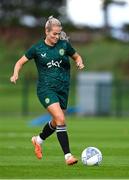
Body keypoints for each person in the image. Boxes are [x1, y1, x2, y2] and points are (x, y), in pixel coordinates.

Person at [10, 16, 84, 165]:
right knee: (61, 119)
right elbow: (20, 62)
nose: (57, 37)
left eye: (59, 33)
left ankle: (38, 140)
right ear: (46, 31)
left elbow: (76, 56)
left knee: (56, 122)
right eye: (54, 34)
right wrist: (15, 73)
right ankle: (68, 156)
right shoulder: (37, 48)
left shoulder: (64, 46)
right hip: (46, 89)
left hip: (63, 89)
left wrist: (79, 62)